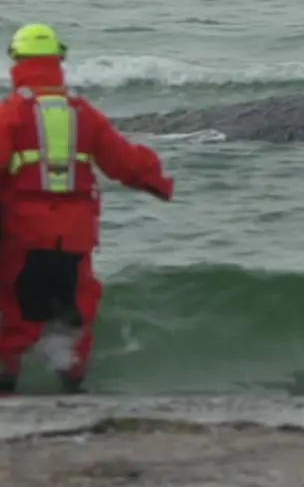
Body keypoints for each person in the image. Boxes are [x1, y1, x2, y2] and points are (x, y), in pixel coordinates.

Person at [0, 23, 173, 394]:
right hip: (76, 235)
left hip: (23, 232)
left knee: (15, 309)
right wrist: (160, 184)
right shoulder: (84, 113)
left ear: (16, 61)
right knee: (74, 310)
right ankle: (72, 386)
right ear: (58, 61)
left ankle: (7, 388)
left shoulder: (12, 113)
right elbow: (125, 162)